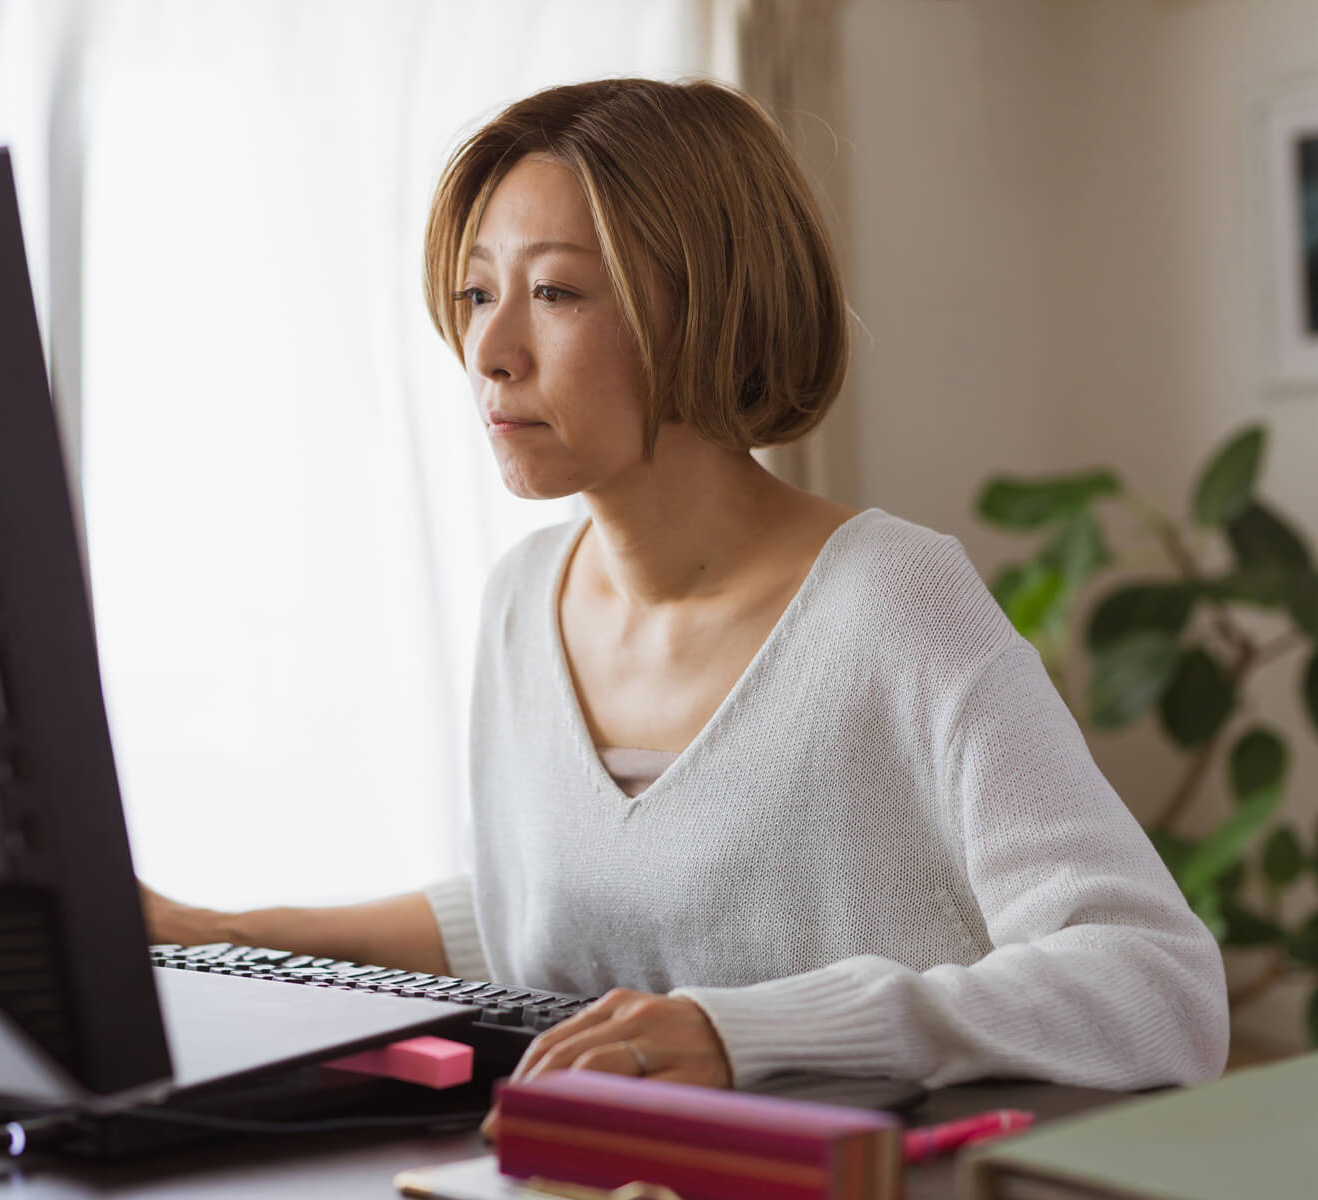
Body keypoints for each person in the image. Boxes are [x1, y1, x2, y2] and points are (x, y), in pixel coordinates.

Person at [140, 77, 1229, 1097]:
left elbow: (1158, 984)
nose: (492, 350)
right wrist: (223, 930)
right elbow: (550, 919)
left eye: (556, 291)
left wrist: (743, 1032)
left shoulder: (891, 600)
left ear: (706, 307)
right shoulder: (523, 602)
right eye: (477, 294)